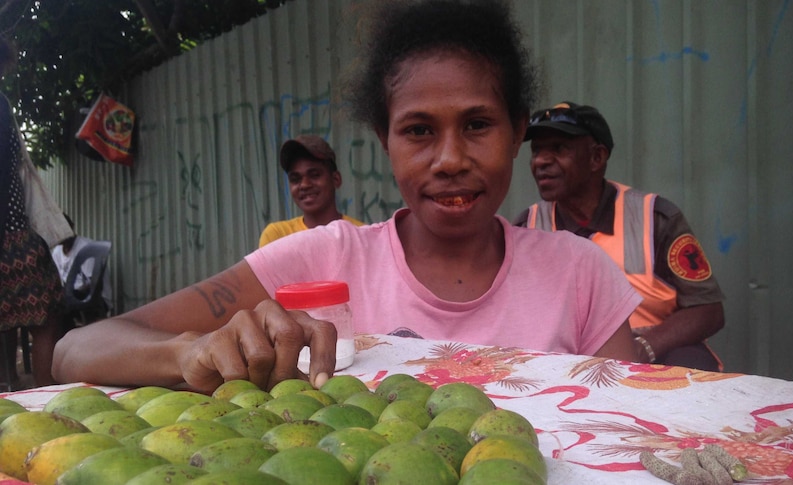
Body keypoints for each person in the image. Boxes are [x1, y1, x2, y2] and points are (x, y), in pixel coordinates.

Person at [53, 0, 643, 394]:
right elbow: (80, 347)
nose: (450, 158)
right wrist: (190, 352)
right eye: (418, 130)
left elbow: (643, 420)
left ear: (517, 130)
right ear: (384, 139)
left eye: (478, 125)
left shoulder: (579, 273)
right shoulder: (319, 259)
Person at [513, 101, 725, 371]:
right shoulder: (526, 227)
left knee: (691, 368)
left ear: (596, 157)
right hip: (564, 359)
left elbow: (708, 311)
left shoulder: (654, 218)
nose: (540, 161)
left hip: (654, 353)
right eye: (536, 151)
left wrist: (643, 347)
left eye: (559, 148)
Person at [1, 36, 73, 388]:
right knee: (45, 320)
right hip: (14, 237)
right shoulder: (0, 105)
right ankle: (42, 395)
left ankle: (15, 388)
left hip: (10, 237)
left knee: (16, 319)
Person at [258, 135, 363, 247]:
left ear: (336, 179)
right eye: (295, 179)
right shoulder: (277, 236)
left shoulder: (361, 235)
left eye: (314, 175)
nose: (304, 185)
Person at [52, 213, 113, 324]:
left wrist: (69, 294)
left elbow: (93, 285)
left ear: (71, 227)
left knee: (63, 304)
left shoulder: (86, 248)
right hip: (70, 296)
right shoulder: (57, 252)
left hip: (94, 298)